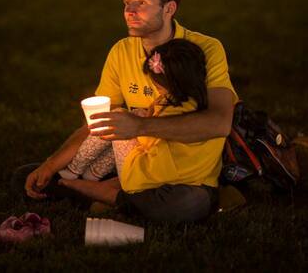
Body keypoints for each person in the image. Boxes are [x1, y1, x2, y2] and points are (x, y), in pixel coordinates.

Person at [18, 0, 237, 222]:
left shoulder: (205, 49)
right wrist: (52, 164)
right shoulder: (122, 51)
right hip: (136, 160)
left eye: (141, 3)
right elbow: (97, 124)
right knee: (26, 176)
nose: (129, 11)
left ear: (169, 8)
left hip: (186, 177)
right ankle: (117, 197)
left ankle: (101, 196)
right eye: (126, 3)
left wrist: (140, 126)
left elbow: (220, 123)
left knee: (187, 204)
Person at [58, 39, 221, 212]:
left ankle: (75, 169)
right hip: (195, 172)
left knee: (117, 120)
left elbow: (149, 141)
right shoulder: (201, 103)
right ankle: (93, 173)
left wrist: (134, 126)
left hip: (150, 175)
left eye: (157, 85)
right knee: (133, 116)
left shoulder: (171, 111)